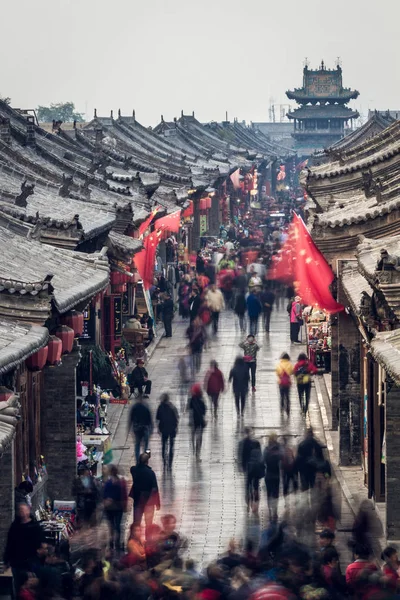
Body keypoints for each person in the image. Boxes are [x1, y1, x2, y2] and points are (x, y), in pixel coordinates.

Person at [3, 503, 45, 596]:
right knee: (18, 587)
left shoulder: (35, 526)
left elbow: (41, 543)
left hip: (32, 562)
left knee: (31, 588)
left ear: (28, 511)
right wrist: (6, 560)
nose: (23, 513)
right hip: (17, 562)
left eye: (24, 510)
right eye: (20, 510)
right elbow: (10, 543)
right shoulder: (15, 526)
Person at [129, 452, 160, 537]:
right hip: (149, 502)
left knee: (136, 523)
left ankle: (134, 539)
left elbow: (133, 468)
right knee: (149, 523)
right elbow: (155, 488)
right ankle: (148, 540)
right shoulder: (150, 473)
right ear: (147, 461)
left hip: (138, 500)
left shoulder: (134, 470)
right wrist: (157, 503)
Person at [103, 464, 128, 552]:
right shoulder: (121, 482)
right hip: (118, 507)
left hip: (109, 507)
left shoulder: (108, 482)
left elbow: (104, 494)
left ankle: (111, 543)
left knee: (111, 526)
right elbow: (124, 495)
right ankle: (117, 543)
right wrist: (125, 506)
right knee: (117, 525)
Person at [238, 427, 263, 513]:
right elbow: (260, 456)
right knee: (255, 485)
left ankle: (249, 502)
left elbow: (240, 456)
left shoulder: (242, 443)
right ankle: (255, 504)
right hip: (256, 468)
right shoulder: (256, 443)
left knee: (247, 485)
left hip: (248, 468)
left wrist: (241, 467)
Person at [156, 393, 179, 470]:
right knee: (171, 446)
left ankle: (164, 461)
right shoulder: (172, 407)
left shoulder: (160, 407)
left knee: (164, 445)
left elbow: (157, 418)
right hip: (172, 429)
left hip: (164, 429)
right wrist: (176, 427)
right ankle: (170, 463)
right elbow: (176, 418)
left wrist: (158, 428)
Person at [129, 395, 153, 464]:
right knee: (146, 446)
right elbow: (150, 419)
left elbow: (131, 419)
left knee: (137, 445)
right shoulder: (146, 407)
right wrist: (151, 429)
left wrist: (129, 428)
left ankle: (137, 461)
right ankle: (145, 460)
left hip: (137, 429)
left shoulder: (134, 407)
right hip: (145, 429)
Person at [263, 434, 282, 521]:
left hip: (268, 475)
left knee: (269, 494)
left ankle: (270, 510)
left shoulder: (266, 450)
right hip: (276, 475)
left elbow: (262, 460)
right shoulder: (278, 449)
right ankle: (275, 511)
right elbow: (282, 457)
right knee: (276, 494)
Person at [188, 383, 207, 461]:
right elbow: (204, 411)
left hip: (193, 421)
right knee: (199, 437)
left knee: (193, 435)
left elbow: (189, 409)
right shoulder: (201, 400)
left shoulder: (191, 400)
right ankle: (197, 453)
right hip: (200, 421)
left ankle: (193, 449)